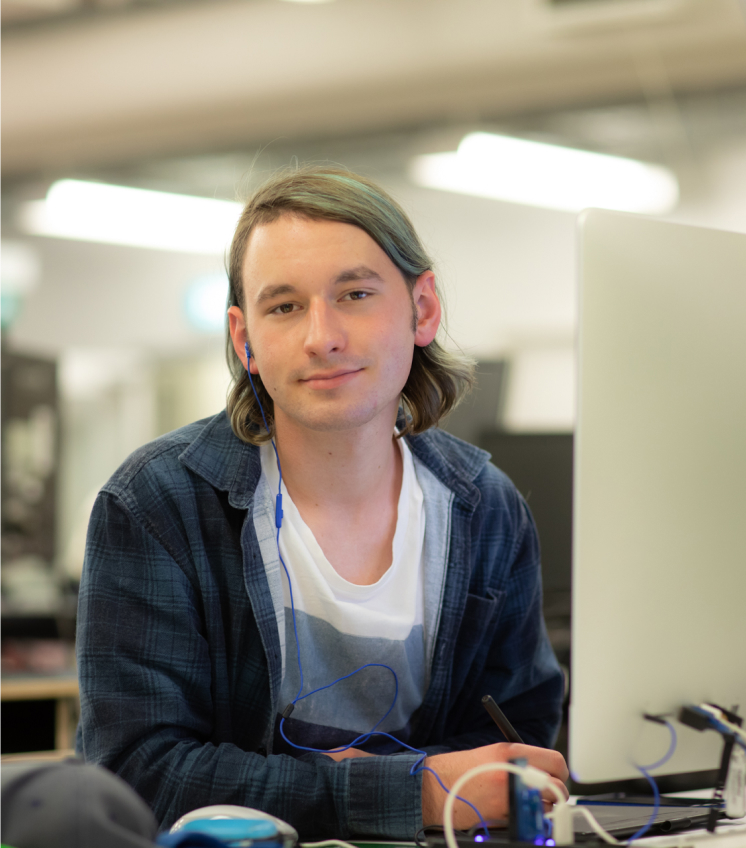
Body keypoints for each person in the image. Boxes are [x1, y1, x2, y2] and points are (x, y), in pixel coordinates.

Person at [76, 167, 568, 840]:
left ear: (422, 309)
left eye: (355, 293)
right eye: (283, 307)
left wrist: (345, 782)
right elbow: (137, 772)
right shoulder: (158, 504)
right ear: (244, 338)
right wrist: (411, 789)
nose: (321, 336)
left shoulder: (482, 506)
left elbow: (516, 750)